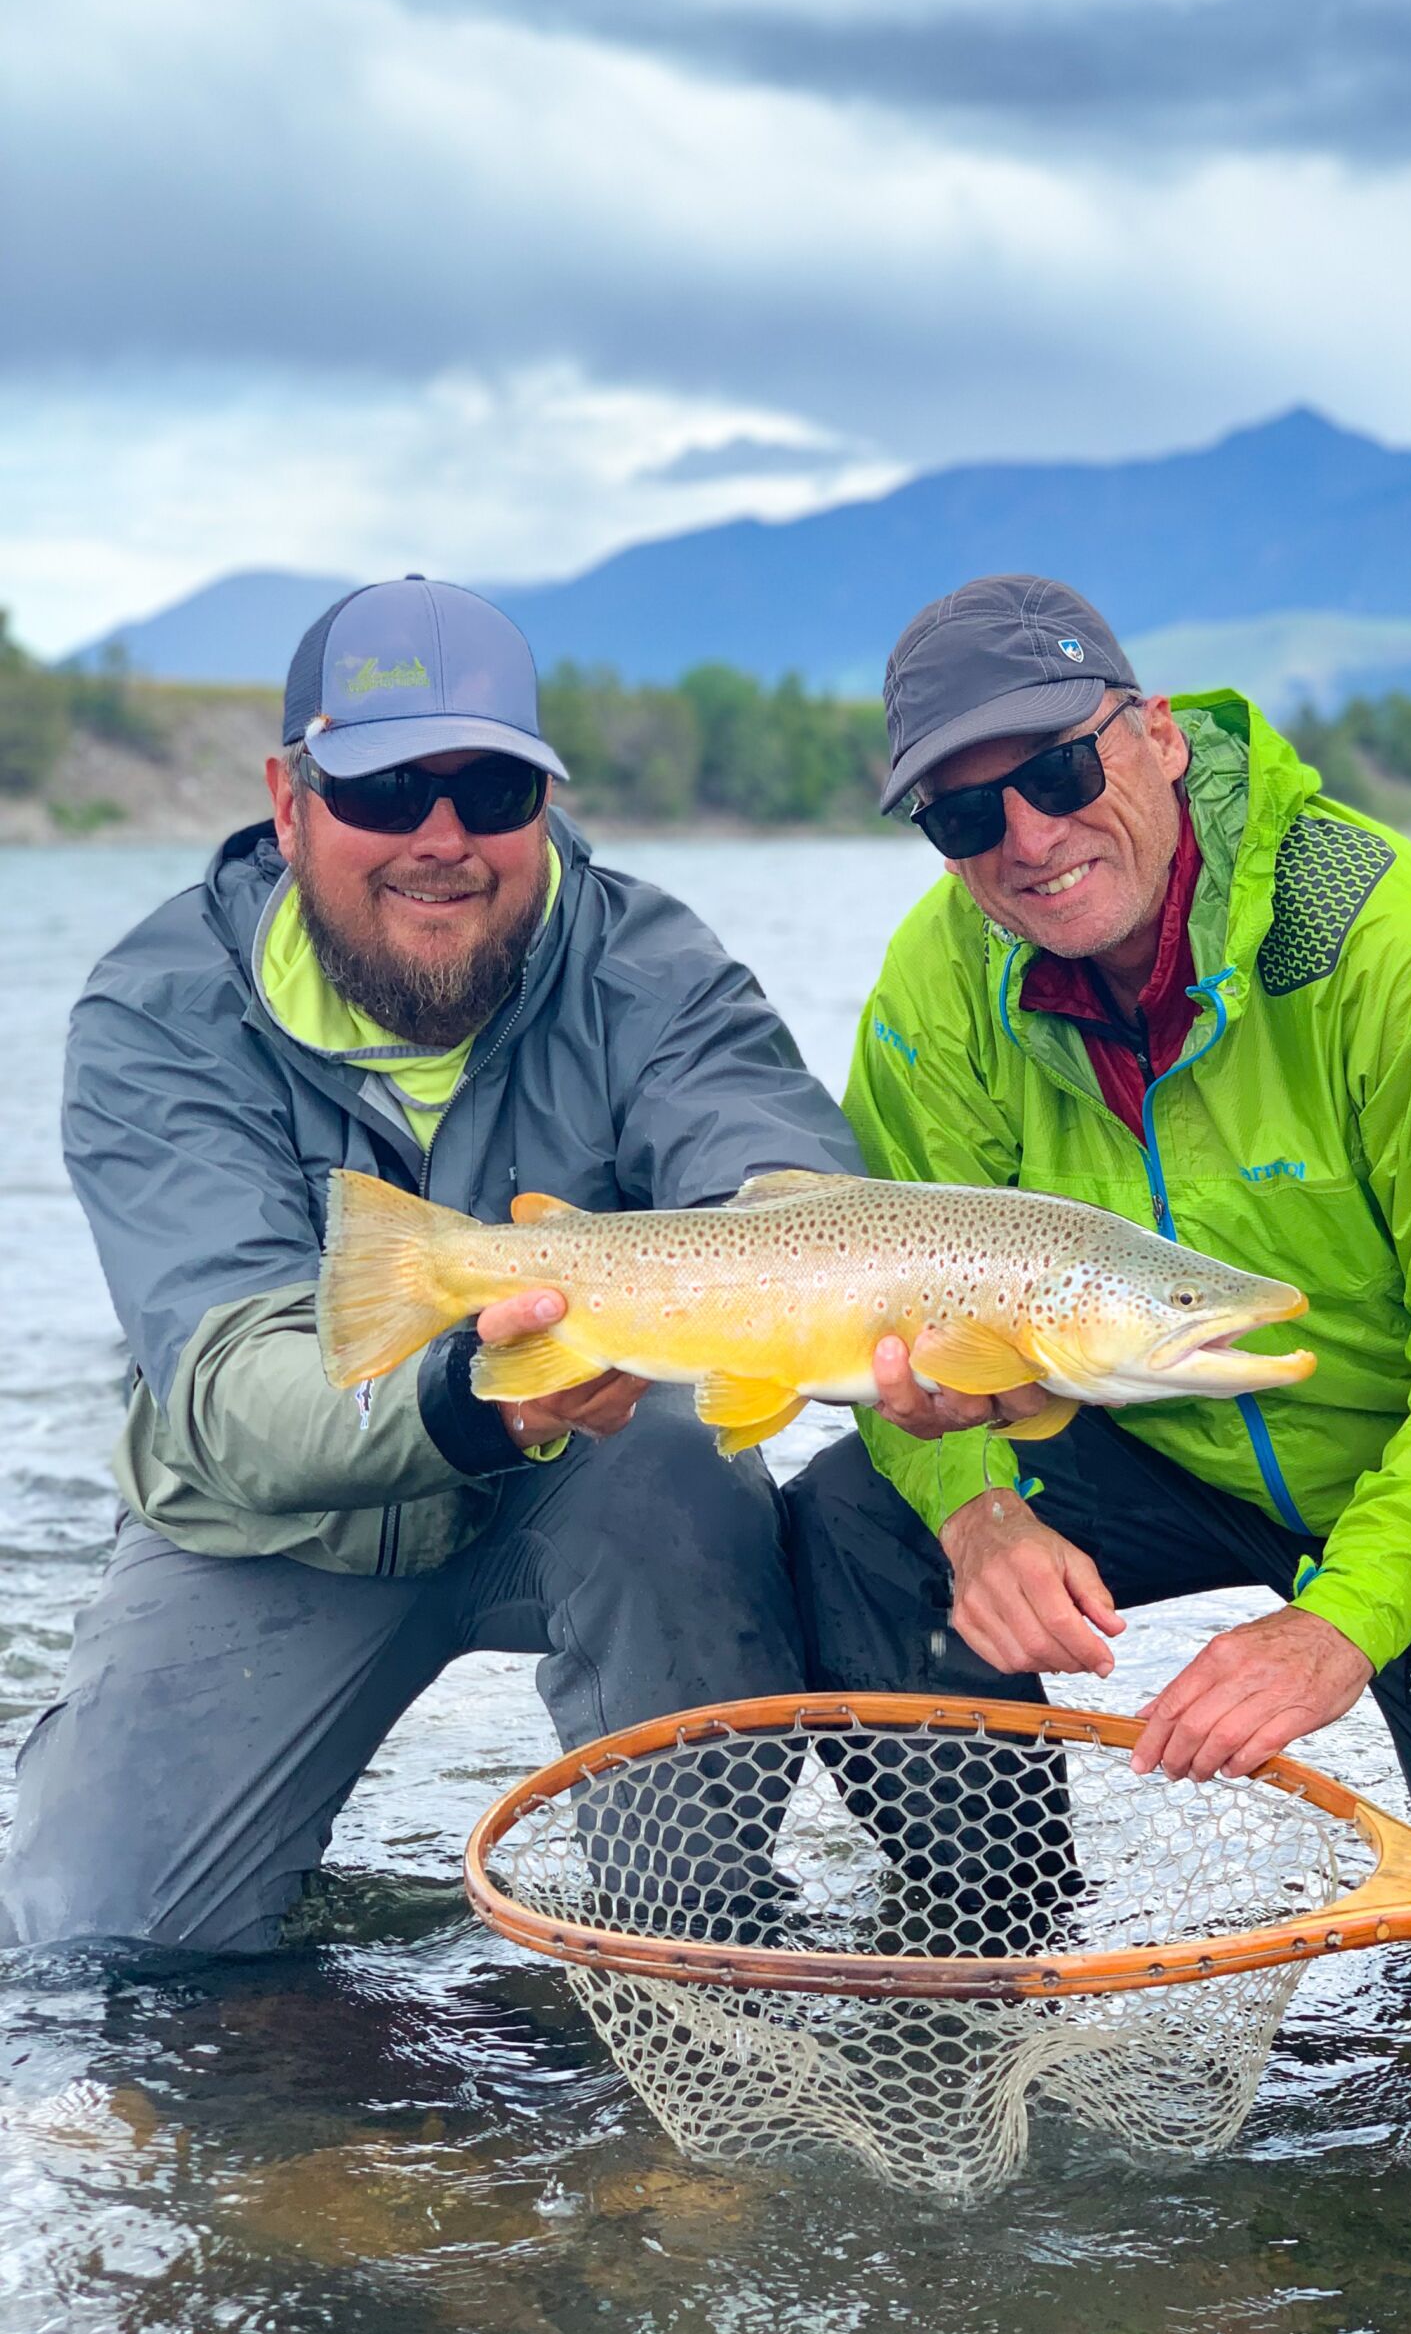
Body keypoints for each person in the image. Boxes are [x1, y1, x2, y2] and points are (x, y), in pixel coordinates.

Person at [0, 576, 890, 1954]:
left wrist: (895, 1316)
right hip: (272, 1529)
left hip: (590, 1493)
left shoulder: (647, 963)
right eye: (386, 790)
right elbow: (228, 1385)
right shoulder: (158, 1012)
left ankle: (696, 1958)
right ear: (289, 801)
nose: (442, 838)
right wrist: (465, 1400)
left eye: (489, 789)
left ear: (542, 804)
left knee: (674, 1459)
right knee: (101, 1946)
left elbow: (768, 1171)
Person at [786, 575, 1411, 1847]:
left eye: (1055, 774)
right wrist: (980, 1512)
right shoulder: (940, 973)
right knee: (857, 1518)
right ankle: (988, 1955)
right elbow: (894, 1325)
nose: (1028, 840)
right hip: (1154, 1442)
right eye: (966, 814)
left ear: (1158, 735)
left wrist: (1339, 1622)